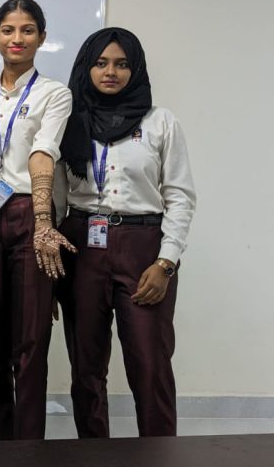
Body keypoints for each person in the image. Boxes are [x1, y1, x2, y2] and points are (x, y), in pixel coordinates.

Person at [57, 27, 196, 438]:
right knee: (86, 367)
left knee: (150, 365)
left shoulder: (160, 122)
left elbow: (181, 196)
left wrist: (166, 262)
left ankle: (157, 456)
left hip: (143, 251)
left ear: (135, 70)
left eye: (121, 64)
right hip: (82, 246)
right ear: (86, 67)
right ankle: (94, 455)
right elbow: (57, 200)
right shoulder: (69, 121)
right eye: (101, 63)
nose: (111, 72)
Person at [0, 0, 75, 440]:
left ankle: (29, 449)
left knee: (30, 343)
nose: (17, 38)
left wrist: (44, 221)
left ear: (42, 39)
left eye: (27, 30)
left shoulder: (54, 93)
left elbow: (43, 152)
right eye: (8, 30)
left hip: (29, 214)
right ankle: (1, 442)